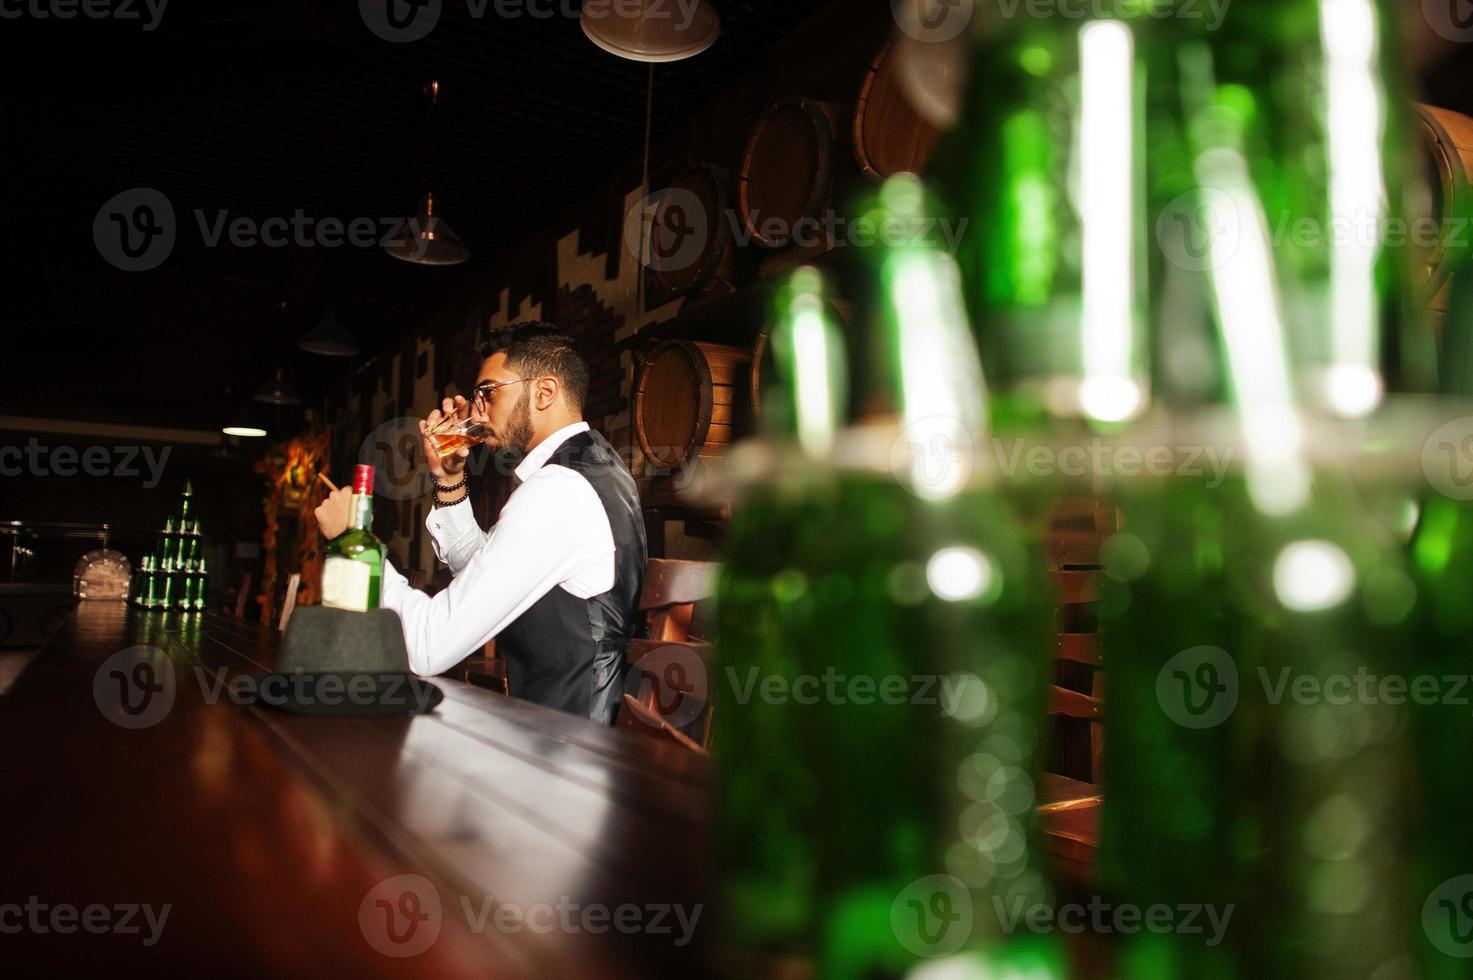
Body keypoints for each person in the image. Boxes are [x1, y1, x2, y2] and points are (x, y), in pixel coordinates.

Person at [314, 322, 647, 725]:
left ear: (544, 392)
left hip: (564, 754)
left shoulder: (558, 489)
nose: (476, 411)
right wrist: (450, 479)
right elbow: (486, 572)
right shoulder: (590, 465)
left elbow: (427, 647)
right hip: (558, 734)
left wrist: (353, 540)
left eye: (487, 393)